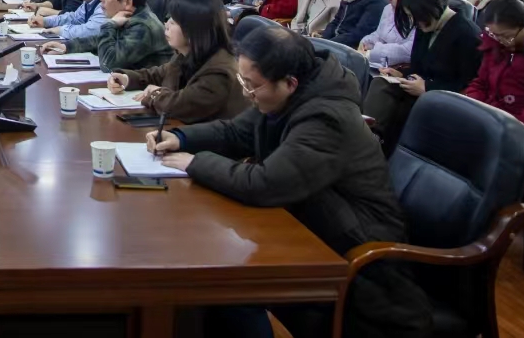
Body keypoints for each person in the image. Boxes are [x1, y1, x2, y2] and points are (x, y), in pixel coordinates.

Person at [149, 27, 432, 338]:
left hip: (356, 253)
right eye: (243, 82)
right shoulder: (287, 96)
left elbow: (265, 184)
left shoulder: (327, 119)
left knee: (231, 286)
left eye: (252, 85)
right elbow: (237, 132)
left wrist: (195, 162)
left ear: (289, 83)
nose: (246, 93)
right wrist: (181, 138)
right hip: (312, 220)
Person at [363, 0, 482, 152]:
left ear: (428, 9)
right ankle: (367, 136)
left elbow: (469, 86)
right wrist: (401, 74)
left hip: (443, 96)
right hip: (418, 88)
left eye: (414, 16)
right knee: (381, 83)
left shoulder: (467, 35)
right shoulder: (426, 26)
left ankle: (371, 144)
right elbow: (419, 65)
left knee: (399, 108)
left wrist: (427, 88)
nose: (414, 21)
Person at [105, 0, 248, 123]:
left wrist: (155, 94)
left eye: (173, 22)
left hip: (213, 141)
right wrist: (126, 78)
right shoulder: (187, 53)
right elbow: (159, 74)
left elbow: (180, 106)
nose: (166, 25)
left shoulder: (220, 70)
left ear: (194, 30)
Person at [42, 0, 174, 72]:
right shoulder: (129, 15)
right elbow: (97, 40)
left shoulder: (143, 26)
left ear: (127, 3)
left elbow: (108, 64)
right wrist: (65, 47)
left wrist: (109, 25)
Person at [465, 0, 524, 137]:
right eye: (495, 36)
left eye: (506, 36)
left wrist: (512, 131)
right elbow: (481, 82)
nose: (502, 42)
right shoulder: (495, 42)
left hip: (519, 126)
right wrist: (472, 106)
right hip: (488, 116)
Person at [358, 0, 423, 69]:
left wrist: (373, 50)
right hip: (378, 63)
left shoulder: (419, 15)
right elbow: (378, 34)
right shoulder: (388, 9)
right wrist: (365, 42)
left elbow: (407, 51)